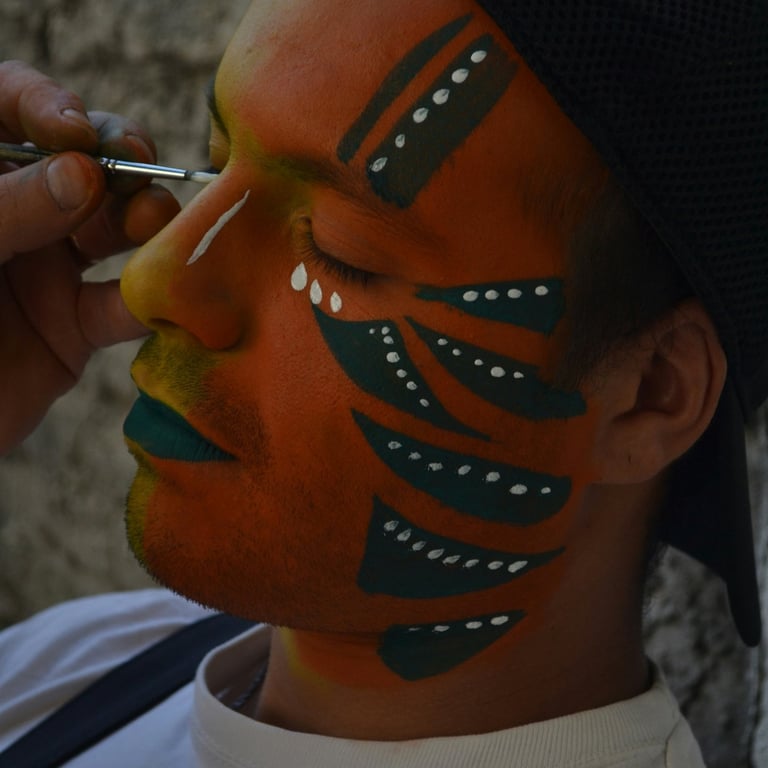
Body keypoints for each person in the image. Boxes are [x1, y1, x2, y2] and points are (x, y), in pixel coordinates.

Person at [0, 1, 766, 765]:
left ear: (652, 394)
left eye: (343, 250)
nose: (154, 280)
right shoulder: (77, 670)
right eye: (216, 164)